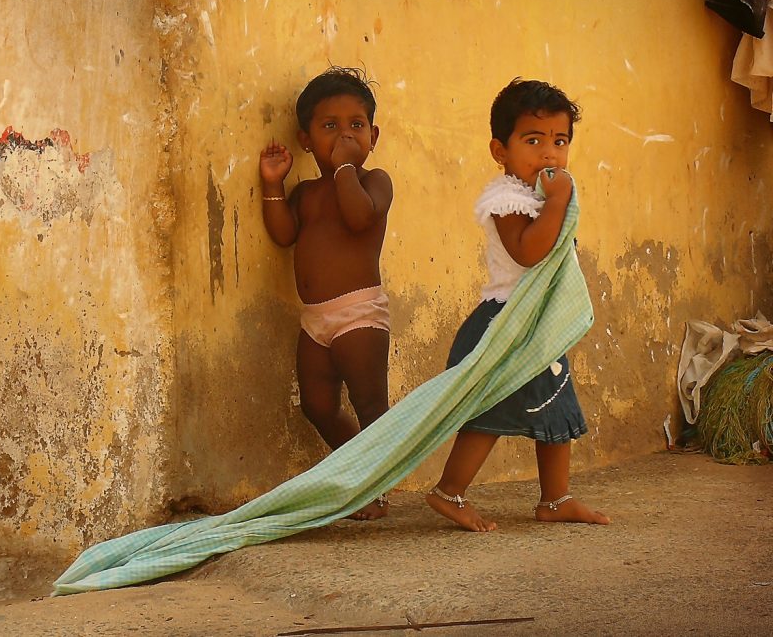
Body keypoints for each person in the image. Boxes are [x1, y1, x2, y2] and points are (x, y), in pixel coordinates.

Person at [425, 77, 610, 531]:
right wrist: (560, 201)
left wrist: (554, 201)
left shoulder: (539, 197)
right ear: (499, 150)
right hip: (505, 321)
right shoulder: (507, 200)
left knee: (556, 405)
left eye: (560, 141)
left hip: (536, 326)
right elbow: (529, 251)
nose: (549, 153)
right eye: (533, 140)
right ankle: (449, 491)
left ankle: (555, 499)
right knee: (490, 411)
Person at [258, 67, 393, 520]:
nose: (344, 135)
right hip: (314, 319)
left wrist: (346, 170)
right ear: (305, 139)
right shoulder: (308, 192)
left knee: (371, 404)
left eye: (356, 125)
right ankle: (359, 472)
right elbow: (283, 235)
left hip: (359, 314)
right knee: (317, 405)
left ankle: (373, 487)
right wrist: (274, 185)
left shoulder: (375, 181)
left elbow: (358, 218)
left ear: (373, 135)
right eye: (329, 126)